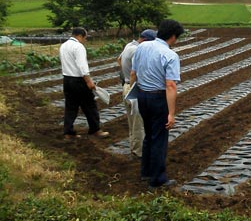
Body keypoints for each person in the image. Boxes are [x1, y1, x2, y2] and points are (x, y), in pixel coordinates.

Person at [131, 19, 184, 189]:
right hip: (158, 98)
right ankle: (158, 179)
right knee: (159, 139)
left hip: (142, 95)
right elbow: (170, 85)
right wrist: (171, 113)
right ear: (173, 36)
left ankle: (146, 172)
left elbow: (134, 72)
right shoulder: (170, 55)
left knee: (149, 136)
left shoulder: (142, 47)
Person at [59, 27, 110, 139]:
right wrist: (89, 81)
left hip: (67, 79)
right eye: (85, 38)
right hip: (79, 81)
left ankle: (68, 132)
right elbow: (82, 66)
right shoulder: (78, 47)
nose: (85, 40)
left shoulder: (63, 46)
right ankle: (95, 130)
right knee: (90, 105)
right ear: (80, 36)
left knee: (70, 107)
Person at [117, 29, 156, 158]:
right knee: (138, 123)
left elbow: (119, 60)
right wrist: (135, 88)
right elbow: (135, 72)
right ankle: (139, 152)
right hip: (134, 88)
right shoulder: (138, 50)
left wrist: (124, 80)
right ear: (145, 40)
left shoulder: (129, 45)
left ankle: (133, 147)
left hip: (126, 85)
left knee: (132, 121)